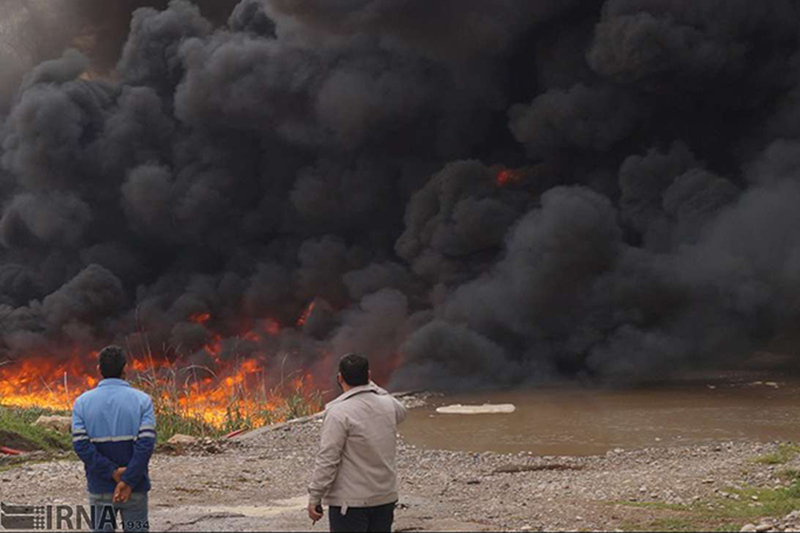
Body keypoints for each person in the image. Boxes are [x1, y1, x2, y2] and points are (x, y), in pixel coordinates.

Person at [308, 353, 408, 532]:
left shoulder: (339, 412)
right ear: (369, 376)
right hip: (384, 498)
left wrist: (315, 496)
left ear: (340, 378)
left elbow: (328, 459)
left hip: (351, 504)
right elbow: (402, 411)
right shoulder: (388, 405)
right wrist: (371, 385)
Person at [71, 346, 156, 532]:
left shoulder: (82, 403)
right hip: (135, 490)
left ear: (99, 369)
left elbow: (81, 446)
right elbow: (146, 446)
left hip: (101, 489)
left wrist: (112, 472)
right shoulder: (143, 401)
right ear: (125, 368)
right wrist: (128, 480)